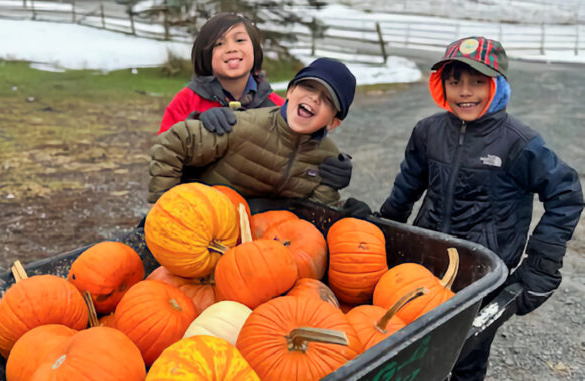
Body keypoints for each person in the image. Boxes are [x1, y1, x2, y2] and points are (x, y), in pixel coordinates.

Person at [378, 36, 584, 380]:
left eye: (477, 82)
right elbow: (407, 186)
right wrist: (383, 228)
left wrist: (542, 265)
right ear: (441, 84)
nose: (464, 92)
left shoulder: (519, 142)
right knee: (409, 344)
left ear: (497, 85)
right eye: (454, 80)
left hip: (481, 274)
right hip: (425, 261)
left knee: (465, 355)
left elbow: (566, 193)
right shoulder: (428, 131)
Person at [158, 12, 353, 191]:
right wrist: (196, 122)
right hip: (197, 201)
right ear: (205, 53)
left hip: (255, 209)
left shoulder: (276, 105)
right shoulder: (186, 100)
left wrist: (333, 166)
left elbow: (301, 149)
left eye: (240, 40)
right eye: (219, 43)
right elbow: (165, 152)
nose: (231, 48)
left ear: (255, 49)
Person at [148, 57, 363, 209]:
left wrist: (345, 213)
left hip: (268, 244)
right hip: (208, 226)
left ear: (334, 122)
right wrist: (167, 208)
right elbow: (172, 143)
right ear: (291, 91)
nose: (314, 98)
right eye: (308, 87)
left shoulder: (327, 158)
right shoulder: (243, 125)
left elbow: (314, 219)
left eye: (327, 99)